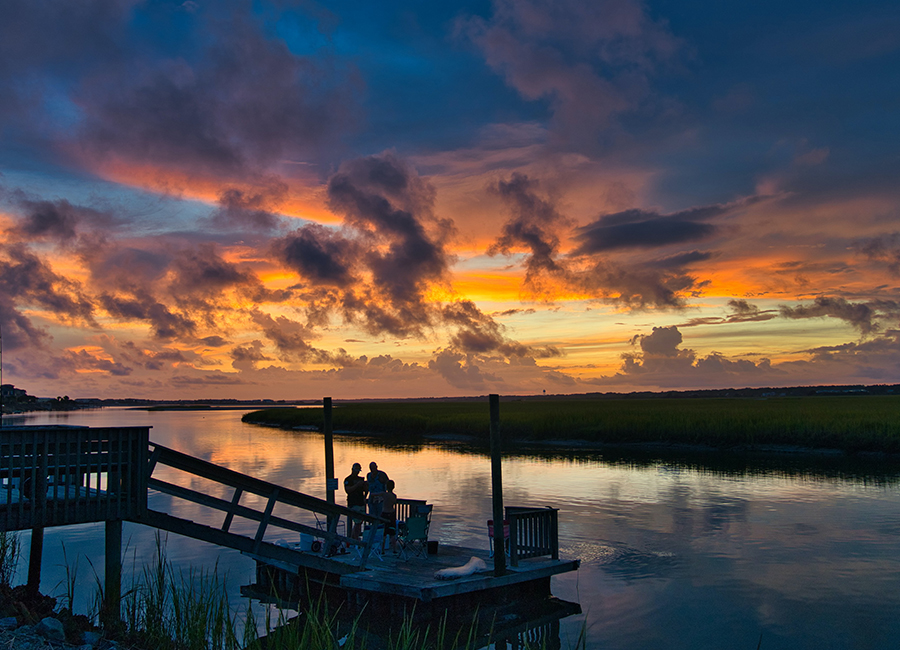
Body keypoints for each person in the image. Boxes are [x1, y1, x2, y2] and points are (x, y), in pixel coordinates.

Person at [343, 462, 367, 539]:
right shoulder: (348, 479)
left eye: (358, 470)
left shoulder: (361, 479)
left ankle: (354, 538)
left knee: (359, 522)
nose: (357, 472)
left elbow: (366, 490)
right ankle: (354, 538)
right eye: (356, 470)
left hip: (361, 503)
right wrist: (357, 485)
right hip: (353, 503)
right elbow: (348, 490)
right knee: (356, 522)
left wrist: (366, 487)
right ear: (352, 470)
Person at [380, 480, 398, 553]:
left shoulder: (384, 494)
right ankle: (394, 549)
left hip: (384, 514)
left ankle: (382, 550)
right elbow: (394, 502)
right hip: (391, 514)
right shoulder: (394, 495)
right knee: (392, 533)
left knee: (383, 533)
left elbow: (375, 495)